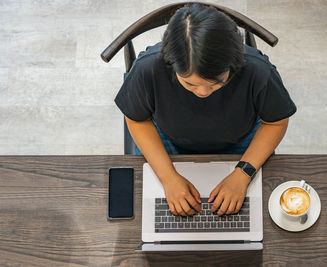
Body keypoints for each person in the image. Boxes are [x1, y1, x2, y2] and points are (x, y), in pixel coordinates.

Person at [114, 3, 296, 217]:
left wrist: (243, 173)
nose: (202, 92)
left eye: (216, 83)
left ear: (234, 63)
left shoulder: (258, 71)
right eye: (189, 84)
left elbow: (276, 121)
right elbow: (136, 119)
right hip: (169, 141)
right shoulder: (148, 68)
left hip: (240, 140)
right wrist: (168, 177)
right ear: (170, 62)